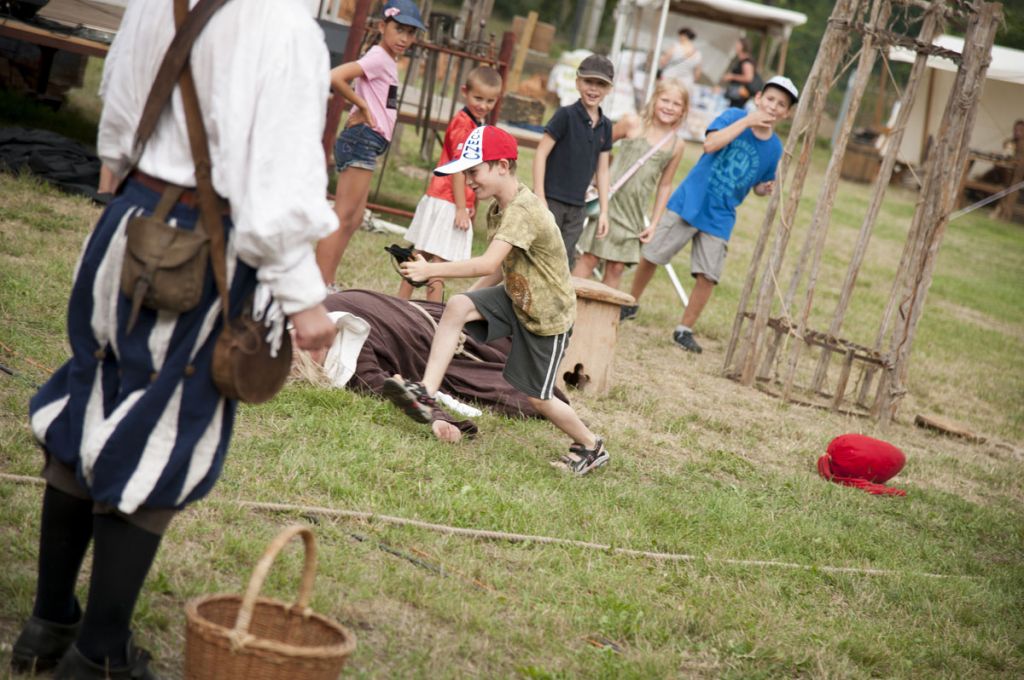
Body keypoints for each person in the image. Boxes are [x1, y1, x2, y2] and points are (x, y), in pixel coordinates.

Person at [10, 0, 340, 677]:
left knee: (92, 398)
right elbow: (276, 183)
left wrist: (122, 174)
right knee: (163, 427)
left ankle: (48, 624)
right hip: (199, 246)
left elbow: (119, 102)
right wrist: (305, 301)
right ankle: (99, 655)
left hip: (127, 222)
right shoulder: (285, 27)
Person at [383, 125, 610, 476]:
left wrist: (431, 270)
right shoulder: (497, 209)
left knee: (538, 397)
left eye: (474, 171)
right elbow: (500, 267)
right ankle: (426, 392)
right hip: (518, 294)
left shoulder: (523, 210)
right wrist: (470, 304)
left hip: (546, 317)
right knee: (458, 305)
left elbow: (488, 263)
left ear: (502, 166)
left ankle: (591, 445)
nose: (468, 181)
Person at [620, 76, 799, 354]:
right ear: (759, 99)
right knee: (653, 254)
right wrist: (747, 122)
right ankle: (631, 302)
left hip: (721, 214)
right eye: (770, 99)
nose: (774, 107)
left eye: (781, 104)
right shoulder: (733, 116)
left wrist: (765, 189)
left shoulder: (774, 148)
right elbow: (710, 144)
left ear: (786, 113)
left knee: (709, 275)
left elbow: (757, 187)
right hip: (692, 199)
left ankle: (684, 329)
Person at [315, 0, 426, 288]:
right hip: (361, 140)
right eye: (399, 29)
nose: (404, 38)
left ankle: (328, 281)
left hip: (369, 142)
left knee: (353, 220)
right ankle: (316, 284)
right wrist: (362, 106)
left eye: (410, 33)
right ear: (382, 26)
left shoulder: (387, 60)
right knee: (342, 216)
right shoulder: (378, 57)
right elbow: (335, 77)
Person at [397, 66, 503, 302]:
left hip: (448, 199)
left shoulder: (476, 122)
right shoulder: (463, 125)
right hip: (446, 200)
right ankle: (433, 313)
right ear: (465, 92)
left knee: (421, 255)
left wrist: (468, 203)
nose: (483, 105)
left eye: (490, 101)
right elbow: (457, 169)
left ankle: (399, 303)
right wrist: (461, 207)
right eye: (478, 98)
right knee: (438, 263)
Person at [573, 79, 688, 290]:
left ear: (683, 110)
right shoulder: (632, 123)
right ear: (654, 100)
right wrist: (596, 178)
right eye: (665, 100)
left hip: (633, 213)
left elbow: (665, 185)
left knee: (617, 267)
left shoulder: (676, 145)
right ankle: (567, 305)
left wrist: (654, 223)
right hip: (609, 203)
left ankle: (603, 310)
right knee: (590, 257)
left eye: (676, 104)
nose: (669, 107)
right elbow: (599, 146)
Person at [533, 53, 615, 267]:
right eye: (588, 81)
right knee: (539, 255)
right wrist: (540, 195)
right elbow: (541, 153)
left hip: (579, 207)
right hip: (551, 200)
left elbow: (603, 171)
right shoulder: (565, 115)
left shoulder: (606, 126)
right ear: (578, 82)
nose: (593, 89)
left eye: (601, 84)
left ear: (609, 89)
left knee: (563, 262)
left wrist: (604, 211)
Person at [659, 27, 702, 95]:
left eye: (680, 36)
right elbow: (697, 74)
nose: (679, 38)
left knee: (664, 95)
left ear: (684, 36)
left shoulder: (675, 47)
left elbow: (663, 62)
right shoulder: (698, 53)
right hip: (686, 82)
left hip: (669, 77)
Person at [722, 37, 758, 109]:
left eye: (738, 44)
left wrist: (732, 76)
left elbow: (749, 78)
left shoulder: (746, 62)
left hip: (741, 95)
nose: (736, 45)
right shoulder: (741, 60)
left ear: (742, 46)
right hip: (736, 93)